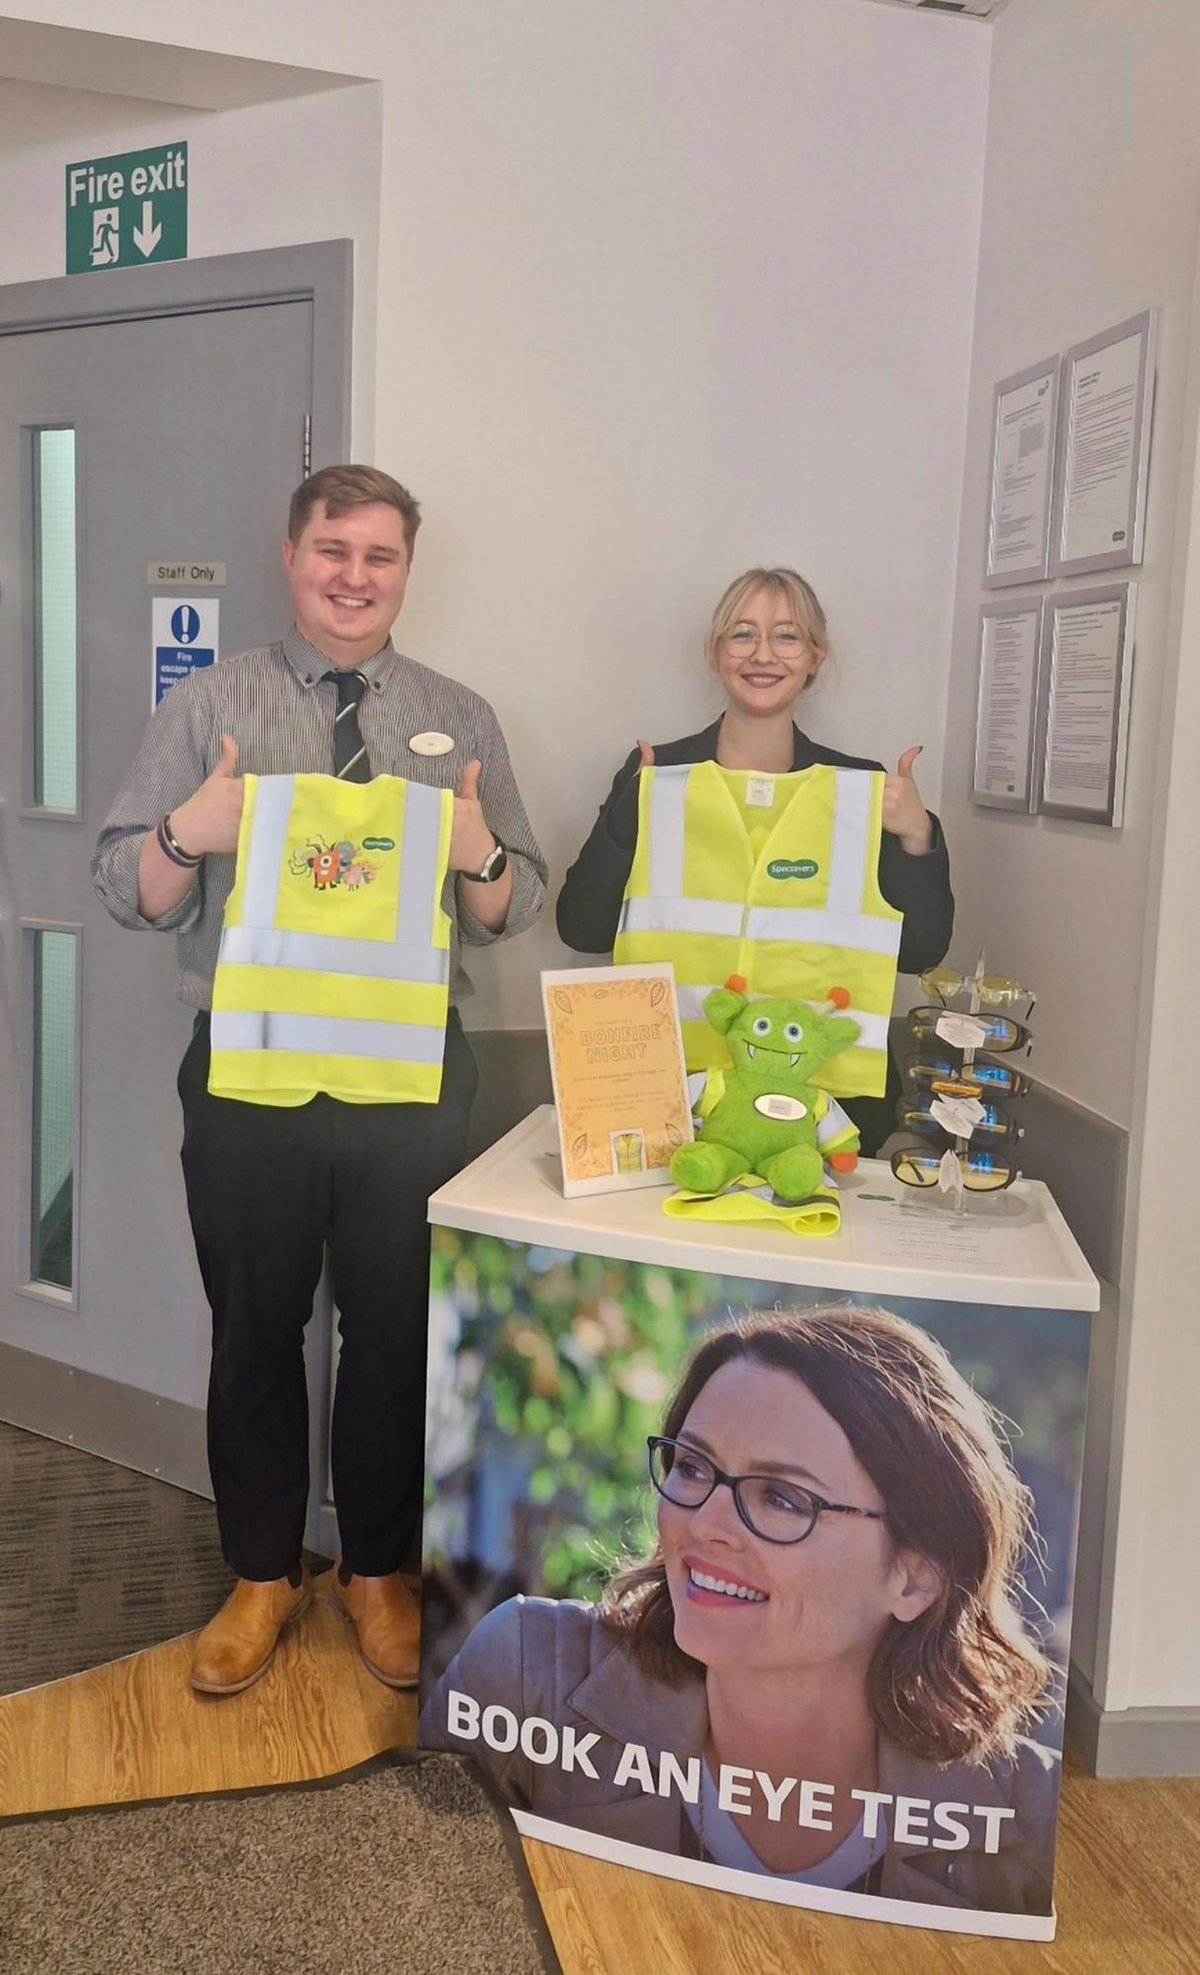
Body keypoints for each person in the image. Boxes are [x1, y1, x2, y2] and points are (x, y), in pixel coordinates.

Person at [93, 464, 546, 1696]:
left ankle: (379, 1573)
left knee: (396, 1332)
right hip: (249, 1071)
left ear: (408, 569)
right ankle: (259, 1576)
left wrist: (482, 851)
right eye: (332, 550)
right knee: (255, 1331)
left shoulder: (462, 713)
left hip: (409, 1079)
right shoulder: (212, 701)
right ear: (291, 556)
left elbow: (512, 910)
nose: (355, 576)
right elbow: (126, 888)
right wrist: (191, 832)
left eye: (380, 556)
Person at [421, 1306, 1059, 1913]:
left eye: (783, 1498)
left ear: (914, 1579)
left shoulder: (1026, 1822)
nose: (706, 1522)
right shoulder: (526, 1679)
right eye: (694, 1467)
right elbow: (406, 1901)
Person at [555, 568, 954, 1150]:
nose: (763, 654)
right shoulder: (657, 776)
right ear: (716, 653)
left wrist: (918, 836)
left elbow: (921, 952)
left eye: (787, 636)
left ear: (816, 656)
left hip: (828, 1110)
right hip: (677, 1096)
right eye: (742, 634)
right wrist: (628, 812)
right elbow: (582, 929)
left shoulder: (862, 790)